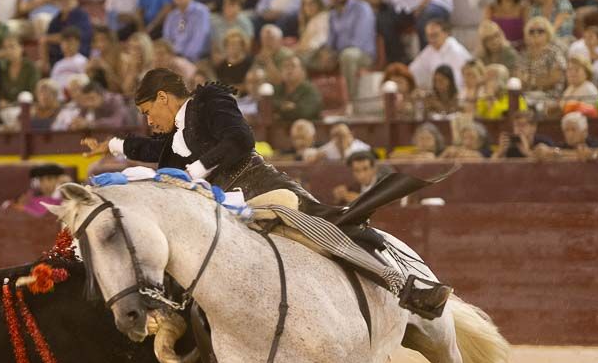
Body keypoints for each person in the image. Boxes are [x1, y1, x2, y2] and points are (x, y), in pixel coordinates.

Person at [82, 67, 452, 319]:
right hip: (227, 206)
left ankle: (405, 286)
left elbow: (241, 139)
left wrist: (195, 171)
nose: (149, 122)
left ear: (163, 97)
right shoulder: (177, 136)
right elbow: (153, 151)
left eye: (148, 112)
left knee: (312, 231)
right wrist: (112, 145)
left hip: (262, 187)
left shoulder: (208, 100)